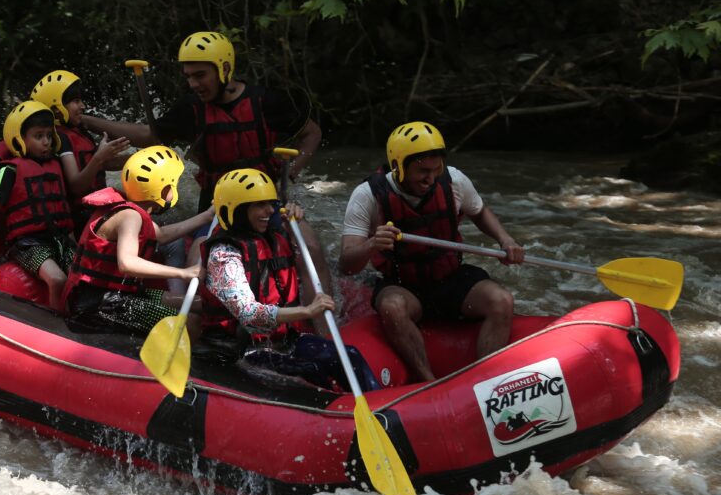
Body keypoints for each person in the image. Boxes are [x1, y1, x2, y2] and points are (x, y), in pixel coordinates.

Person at [80, 31, 332, 292]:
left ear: (224, 69)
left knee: (311, 247)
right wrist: (87, 121)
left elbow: (312, 133)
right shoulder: (191, 109)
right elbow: (148, 136)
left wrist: (291, 173)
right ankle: (205, 322)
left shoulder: (266, 101)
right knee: (196, 258)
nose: (193, 83)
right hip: (217, 201)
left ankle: (322, 320)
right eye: (188, 76)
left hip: (264, 198)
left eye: (200, 75)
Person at [338, 121, 525, 382]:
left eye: (436, 169)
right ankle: (428, 382)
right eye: (422, 171)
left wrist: (506, 240)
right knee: (392, 306)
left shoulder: (454, 180)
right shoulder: (367, 195)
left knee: (501, 300)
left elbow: (479, 211)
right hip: (403, 285)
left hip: (451, 279)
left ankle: (484, 380)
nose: (430, 178)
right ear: (397, 166)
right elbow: (347, 264)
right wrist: (371, 244)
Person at [198, 169, 379, 392]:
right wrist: (307, 311)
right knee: (312, 371)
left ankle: (379, 411)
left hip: (284, 342)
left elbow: (300, 259)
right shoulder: (224, 254)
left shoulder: (275, 236)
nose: (270, 210)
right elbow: (250, 316)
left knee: (349, 357)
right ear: (236, 210)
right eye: (260, 205)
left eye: (271, 203)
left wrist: (295, 224)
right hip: (243, 349)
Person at [63, 145, 215, 335]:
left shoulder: (129, 209)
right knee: (191, 323)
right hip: (99, 303)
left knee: (196, 304)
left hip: (120, 293)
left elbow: (162, 235)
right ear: (163, 188)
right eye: (173, 183)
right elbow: (127, 263)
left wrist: (207, 217)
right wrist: (183, 273)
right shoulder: (130, 216)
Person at [0, 101, 78, 309]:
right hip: (28, 244)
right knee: (57, 280)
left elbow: (62, 211)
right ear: (20, 139)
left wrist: (74, 244)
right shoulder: (8, 171)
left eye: (48, 135)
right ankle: (58, 325)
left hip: (59, 240)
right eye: (38, 136)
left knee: (82, 280)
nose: (46, 142)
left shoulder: (55, 165)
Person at [30, 69, 130, 228]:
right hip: (81, 215)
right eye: (76, 101)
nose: (82, 106)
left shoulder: (78, 131)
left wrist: (135, 160)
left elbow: (98, 164)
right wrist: (99, 157)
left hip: (94, 208)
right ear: (57, 108)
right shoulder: (58, 139)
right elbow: (76, 186)